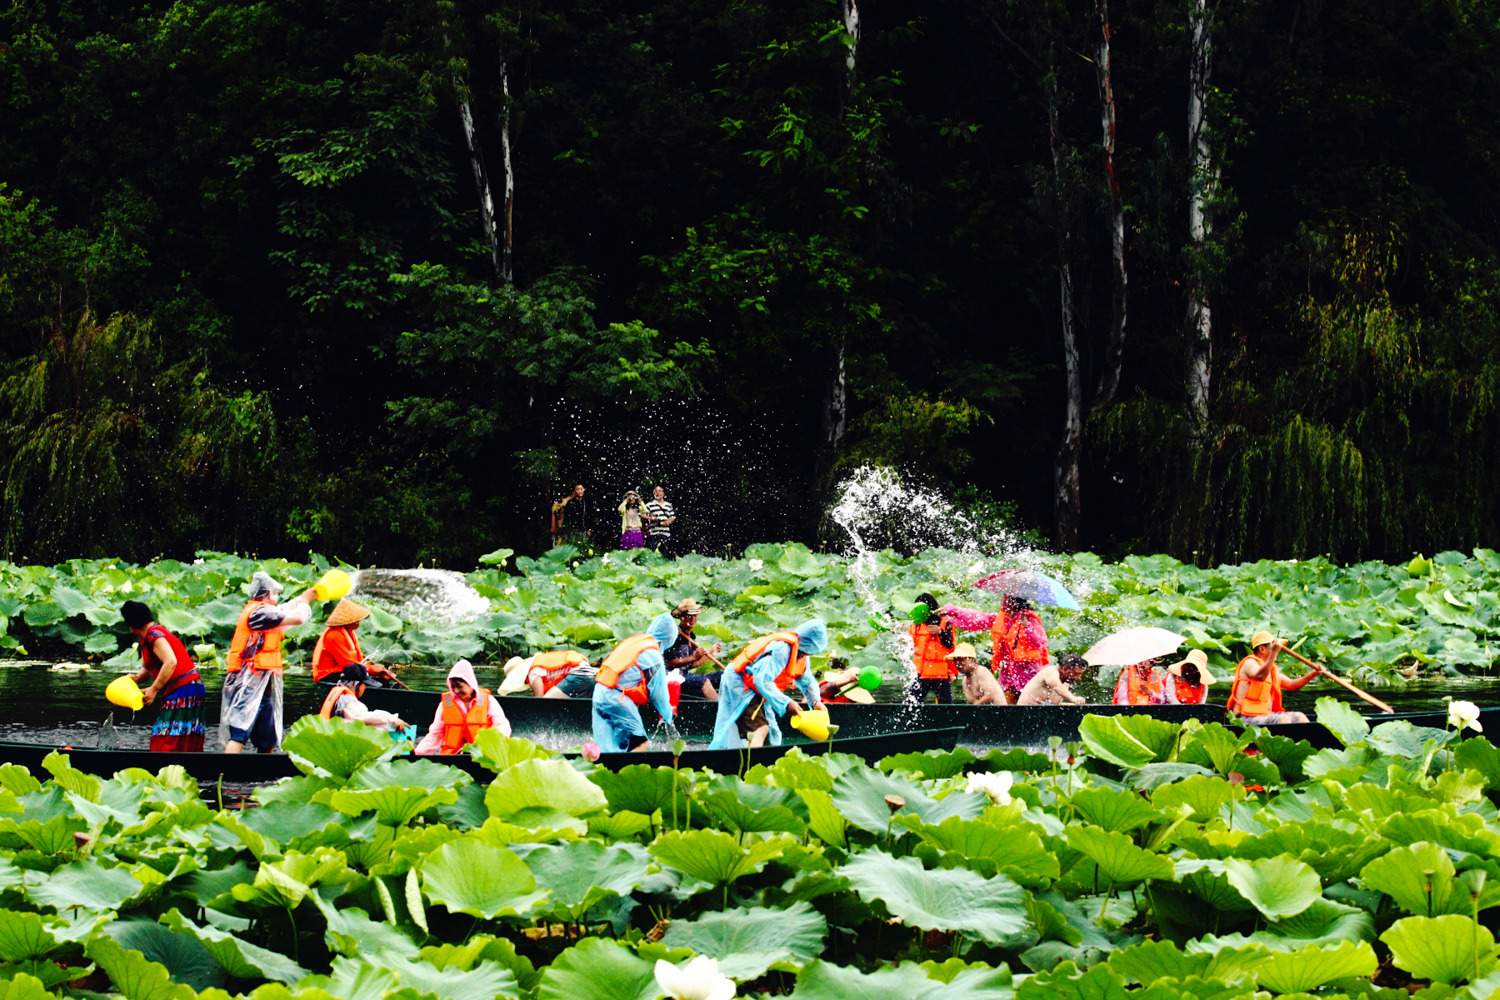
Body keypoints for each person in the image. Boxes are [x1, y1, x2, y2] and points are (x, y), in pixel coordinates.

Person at [223, 571, 317, 754]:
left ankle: (264, 777)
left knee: (268, 740)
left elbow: (285, 609)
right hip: (247, 686)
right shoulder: (259, 612)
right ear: (266, 593)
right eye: (274, 593)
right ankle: (224, 774)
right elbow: (297, 618)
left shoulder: (265, 611)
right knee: (239, 734)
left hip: (261, 689)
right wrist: (305, 601)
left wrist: (307, 597)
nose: (276, 597)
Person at [709, 619, 828, 750]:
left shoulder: (801, 654)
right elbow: (762, 680)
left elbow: (808, 681)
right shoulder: (782, 649)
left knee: (772, 733)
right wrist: (787, 703)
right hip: (741, 681)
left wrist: (816, 701)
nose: (807, 655)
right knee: (759, 729)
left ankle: (763, 764)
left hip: (758, 687)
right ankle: (749, 767)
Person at [122, 600, 206, 752]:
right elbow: (148, 668)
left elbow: (170, 662)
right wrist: (136, 678)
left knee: (165, 739)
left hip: (185, 688)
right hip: (186, 688)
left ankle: (168, 768)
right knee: (178, 738)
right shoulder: (146, 638)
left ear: (131, 626)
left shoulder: (155, 635)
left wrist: (154, 689)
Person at [593, 611, 680, 752]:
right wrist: (668, 714)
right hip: (616, 700)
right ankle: (628, 771)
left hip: (600, 693)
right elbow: (658, 694)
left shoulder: (634, 643)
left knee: (615, 746)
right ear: (670, 637)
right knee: (642, 746)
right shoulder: (653, 656)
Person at [944, 594, 1051, 703]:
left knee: (1030, 711)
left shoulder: (1029, 619)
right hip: (1008, 678)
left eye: (1005, 597)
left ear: (1014, 602)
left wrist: (1027, 626)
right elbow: (978, 618)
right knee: (1006, 711)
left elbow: (1041, 642)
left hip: (1028, 676)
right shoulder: (1001, 619)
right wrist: (952, 611)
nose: (1001, 600)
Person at [415, 659, 510, 754]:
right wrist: (417, 753)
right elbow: (435, 734)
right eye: (452, 686)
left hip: (482, 753)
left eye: (459, 686)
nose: (456, 691)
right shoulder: (445, 704)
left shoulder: (488, 701)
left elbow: (502, 726)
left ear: (470, 683)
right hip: (454, 755)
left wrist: (493, 747)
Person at [1227, 631, 1322, 724]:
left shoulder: (1272, 669)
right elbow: (1260, 676)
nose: (1278, 650)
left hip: (1265, 714)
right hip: (1244, 717)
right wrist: (1273, 653)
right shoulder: (1250, 663)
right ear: (1262, 649)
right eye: (1273, 647)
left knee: (1300, 717)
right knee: (1284, 719)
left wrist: (1312, 674)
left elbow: (1292, 685)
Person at [310, 599, 398, 684]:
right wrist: (371, 670)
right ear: (347, 622)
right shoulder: (334, 636)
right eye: (356, 620)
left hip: (347, 671)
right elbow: (347, 664)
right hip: (328, 675)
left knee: (383, 682)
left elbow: (358, 660)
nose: (358, 622)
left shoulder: (350, 634)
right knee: (371, 680)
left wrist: (378, 671)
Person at [663, 599, 723, 701]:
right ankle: (719, 708)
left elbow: (693, 664)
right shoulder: (675, 636)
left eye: (695, 615)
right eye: (689, 616)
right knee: (702, 681)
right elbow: (669, 663)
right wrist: (694, 657)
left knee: (723, 676)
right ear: (681, 617)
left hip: (685, 675)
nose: (692, 619)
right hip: (672, 678)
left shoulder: (691, 637)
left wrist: (711, 653)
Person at [319, 664, 407, 730]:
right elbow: (362, 718)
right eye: (364, 685)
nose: (365, 688)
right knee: (387, 725)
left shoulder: (340, 695)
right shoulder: (347, 701)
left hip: (338, 732)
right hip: (345, 740)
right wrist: (392, 718)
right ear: (355, 684)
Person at [905, 593, 956, 704]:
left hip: (941, 674)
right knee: (911, 703)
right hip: (921, 673)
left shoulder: (945, 621)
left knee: (947, 706)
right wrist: (904, 641)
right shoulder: (917, 624)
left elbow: (950, 644)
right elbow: (911, 645)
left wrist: (940, 632)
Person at [1018, 653, 1089, 706]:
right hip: (1027, 712)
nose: (1078, 678)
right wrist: (1074, 698)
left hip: (1042, 710)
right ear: (1065, 669)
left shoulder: (1066, 682)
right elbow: (1057, 687)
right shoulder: (1050, 672)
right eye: (1076, 674)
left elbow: (1057, 704)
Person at [527, 650, 597, 698]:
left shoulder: (533, 671)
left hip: (578, 674)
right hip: (592, 676)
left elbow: (538, 700)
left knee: (545, 705)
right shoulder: (543, 659)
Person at [551, 484, 591, 550]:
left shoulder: (584, 502)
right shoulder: (565, 503)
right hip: (567, 529)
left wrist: (588, 528)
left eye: (581, 489)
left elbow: (587, 516)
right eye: (577, 489)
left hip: (580, 529)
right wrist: (553, 526)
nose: (579, 491)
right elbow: (555, 513)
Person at [643, 485, 676, 556]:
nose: (658, 493)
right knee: (653, 552)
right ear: (653, 494)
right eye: (656, 491)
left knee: (665, 553)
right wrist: (653, 519)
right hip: (654, 532)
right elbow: (643, 515)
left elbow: (673, 516)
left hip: (666, 533)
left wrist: (668, 522)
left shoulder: (668, 505)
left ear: (663, 493)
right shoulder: (650, 505)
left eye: (660, 491)